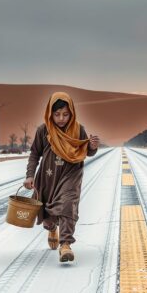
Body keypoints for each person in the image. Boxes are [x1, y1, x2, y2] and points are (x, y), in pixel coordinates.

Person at [24, 91, 99, 262]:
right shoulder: (44, 130)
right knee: (48, 213)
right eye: (57, 114)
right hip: (48, 178)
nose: (61, 118)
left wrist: (93, 146)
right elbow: (34, 154)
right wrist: (30, 176)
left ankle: (65, 244)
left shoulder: (78, 130)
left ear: (71, 112)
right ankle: (51, 229)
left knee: (67, 205)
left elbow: (86, 151)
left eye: (65, 114)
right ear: (50, 113)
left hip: (71, 175)